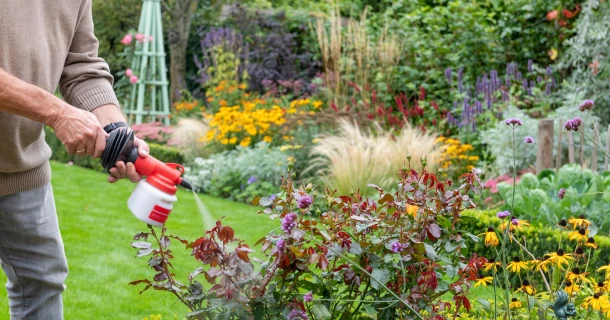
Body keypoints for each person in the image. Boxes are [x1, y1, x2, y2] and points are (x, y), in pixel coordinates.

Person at [0, 1, 149, 319]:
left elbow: (82, 67)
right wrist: (56, 111)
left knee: (41, 286)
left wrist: (118, 132)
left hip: (21, 167)